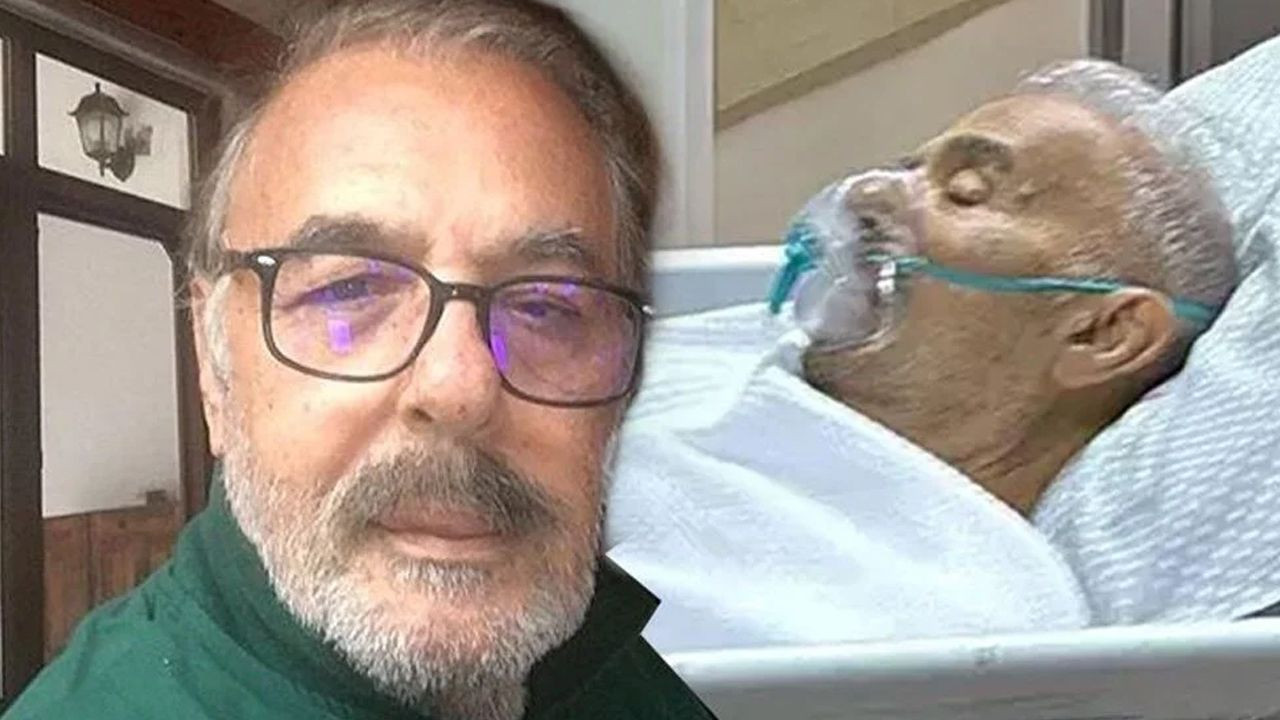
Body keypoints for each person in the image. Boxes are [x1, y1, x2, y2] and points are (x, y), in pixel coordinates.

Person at [6, 1, 715, 719]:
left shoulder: (614, 671)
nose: (460, 386)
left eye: (548, 307)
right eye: (348, 290)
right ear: (214, 371)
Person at [605, 58, 1239, 653]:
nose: (867, 195)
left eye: (965, 191)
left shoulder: (933, 620)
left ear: (1101, 333)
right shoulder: (745, 342)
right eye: (909, 169)